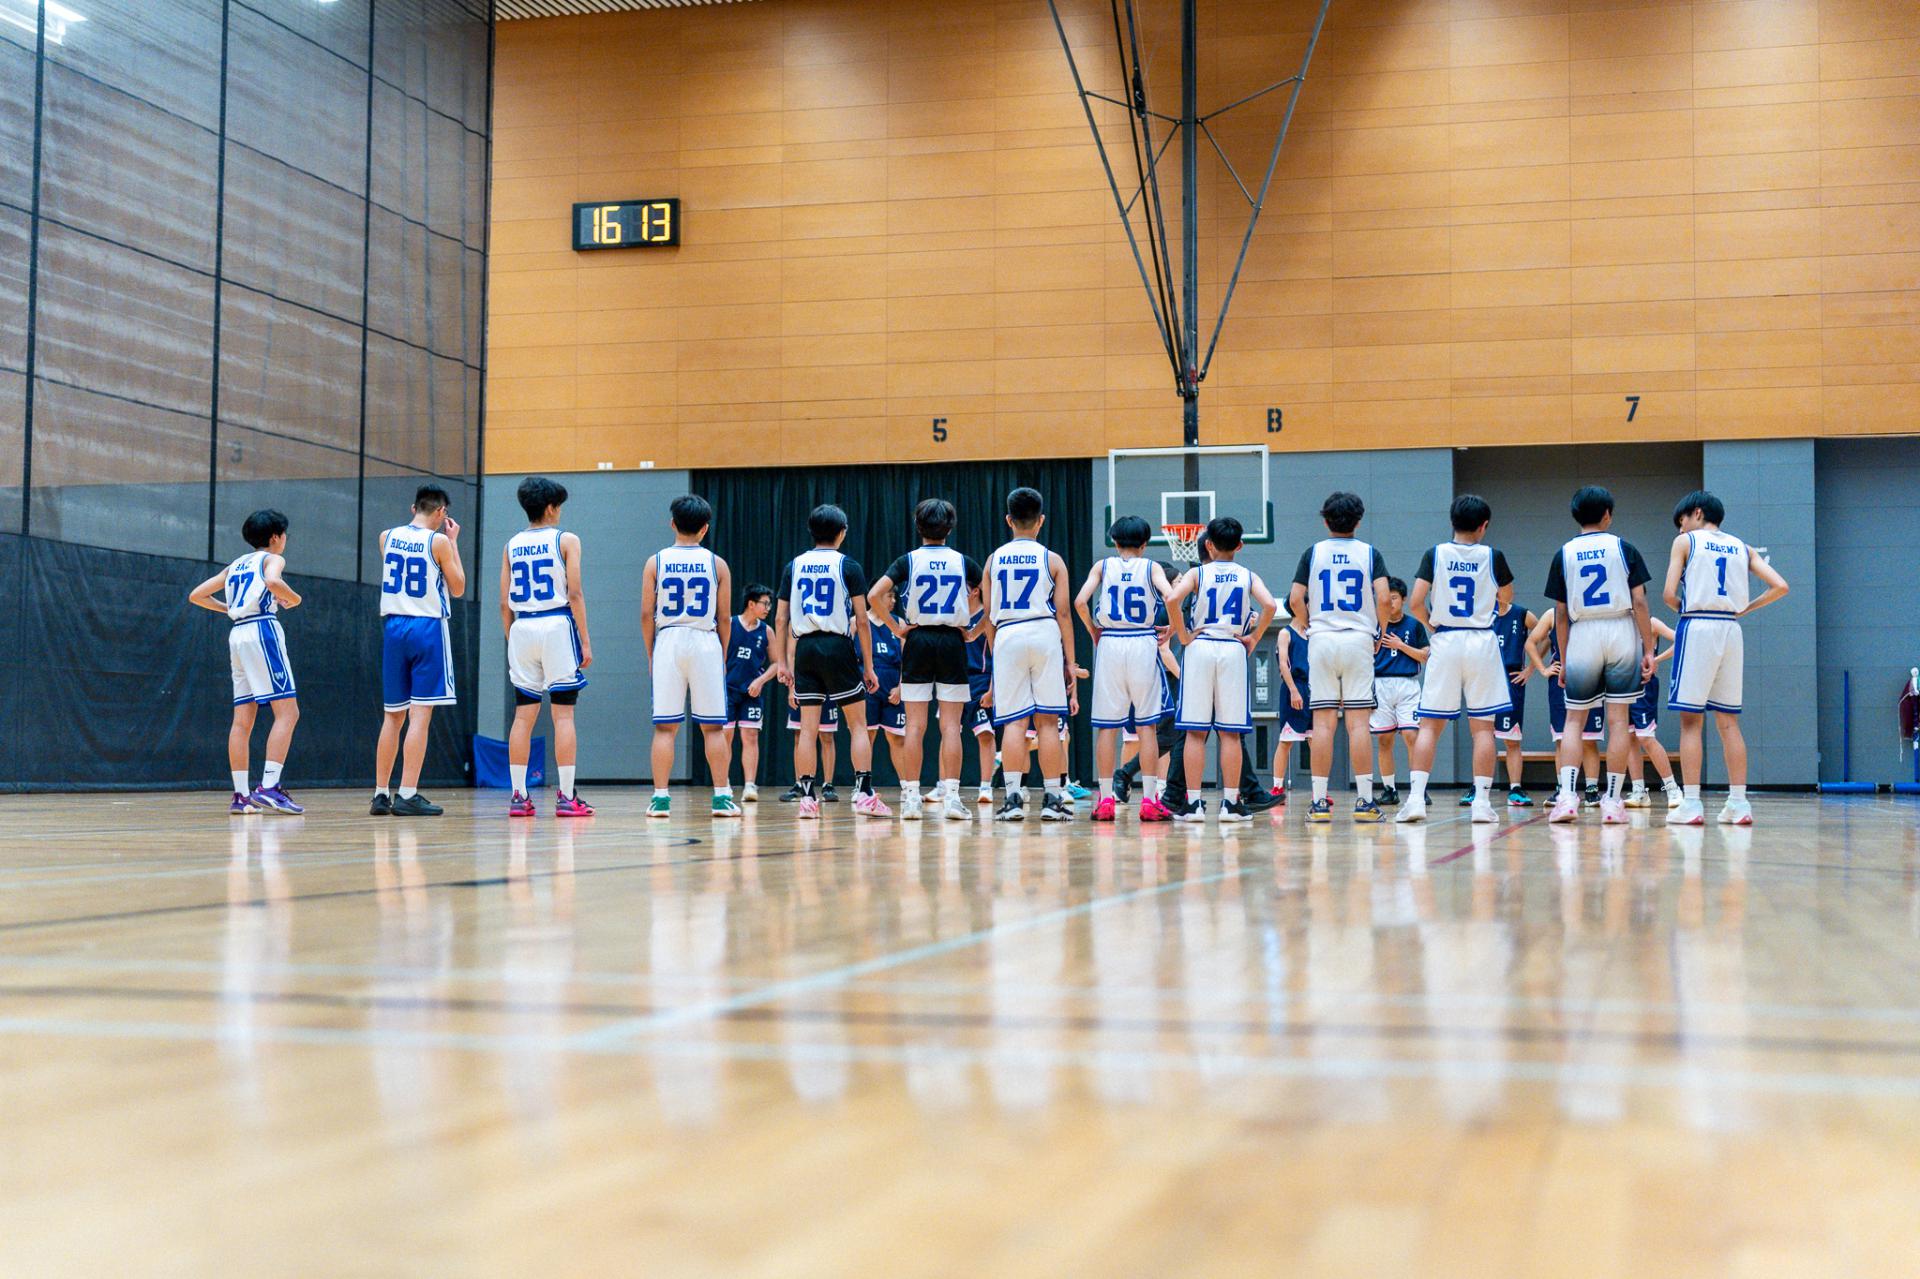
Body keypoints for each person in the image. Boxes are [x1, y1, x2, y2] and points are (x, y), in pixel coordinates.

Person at [1662, 489, 1790, 826]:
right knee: (1729, 722)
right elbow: (1780, 586)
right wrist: (1744, 608)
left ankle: (1691, 804)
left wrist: (1688, 610)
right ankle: (1739, 803)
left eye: (1683, 521)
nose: (1680, 529)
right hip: (1731, 629)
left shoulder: (1686, 543)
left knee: (1691, 721)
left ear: (1698, 513)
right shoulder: (1742, 547)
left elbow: (1668, 594)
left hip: (1697, 625)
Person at [1393, 495, 1515, 825]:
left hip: (1445, 639)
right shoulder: (1494, 556)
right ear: (1484, 525)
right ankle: (1482, 804)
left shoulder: (1435, 554)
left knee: (1430, 726)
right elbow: (1507, 598)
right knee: (1483, 729)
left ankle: (1416, 799)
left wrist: (1433, 625)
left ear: (1452, 521)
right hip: (1481, 641)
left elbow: (1416, 601)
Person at [1543, 485, 1657, 824]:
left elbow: (1560, 614)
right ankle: (1612, 800)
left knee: (1574, 721)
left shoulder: (1563, 553)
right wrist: (1648, 648)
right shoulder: (1624, 548)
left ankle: (1566, 797)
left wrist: (1562, 658)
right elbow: (1640, 602)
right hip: (1621, 629)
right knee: (1619, 721)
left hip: (1583, 632)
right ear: (1607, 514)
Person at [867, 499, 984, 821]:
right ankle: (952, 799)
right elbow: (995, 597)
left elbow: (874, 595)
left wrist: (897, 628)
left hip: (918, 641)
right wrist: (975, 631)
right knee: (951, 726)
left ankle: (911, 799)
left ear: (918, 526)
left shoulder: (908, 560)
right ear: (950, 526)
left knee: (914, 726)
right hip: (951, 641)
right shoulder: (963, 561)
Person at [774, 503, 889, 819]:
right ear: (842, 532)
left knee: (807, 730)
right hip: (838, 647)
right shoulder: (847, 565)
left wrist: (783, 662)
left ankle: (808, 799)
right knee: (857, 726)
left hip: (806, 647)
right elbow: (862, 620)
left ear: (811, 531)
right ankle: (864, 793)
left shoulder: (793, 566)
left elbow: (781, 617)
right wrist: (868, 665)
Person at [189, 509, 304, 814]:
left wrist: (230, 608)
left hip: (238, 633)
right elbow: (272, 580)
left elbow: (197, 595)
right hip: (262, 630)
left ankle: (241, 797)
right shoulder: (272, 559)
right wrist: (293, 598)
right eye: (285, 536)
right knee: (288, 713)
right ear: (276, 537)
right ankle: (268, 787)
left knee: (242, 720)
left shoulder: (235, 565)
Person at [1166, 517, 1276, 823]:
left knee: (1195, 733)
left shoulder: (1197, 573)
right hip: (1231, 649)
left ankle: (1193, 805)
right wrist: (1254, 636)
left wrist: (1184, 635)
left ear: (1209, 545)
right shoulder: (1247, 575)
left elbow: (1172, 599)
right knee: (1230, 734)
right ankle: (1231, 804)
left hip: (1200, 648)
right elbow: (1270, 606)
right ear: (1240, 545)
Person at [1289, 491, 1390, 823]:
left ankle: (1319, 803)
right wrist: (1379, 630)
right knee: (1359, 724)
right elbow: (1385, 597)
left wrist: (1306, 624)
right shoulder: (1369, 553)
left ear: (1324, 520)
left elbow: (1295, 598)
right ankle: (1364, 802)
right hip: (1358, 639)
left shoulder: (1313, 552)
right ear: (1359, 521)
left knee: (1323, 724)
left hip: (1321, 639)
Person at [982, 487, 1080, 822]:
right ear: (1041, 521)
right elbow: (1064, 613)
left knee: (1013, 722)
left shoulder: (993, 559)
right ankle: (1053, 798)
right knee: (1048, 722)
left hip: (1008, 634)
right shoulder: (1052, 559)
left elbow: (987, 616)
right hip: (1043, 632)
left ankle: (1012, 799)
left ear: (1009, 520)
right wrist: (1070, 661)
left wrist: (997, 660)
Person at [500, 476, 593, 819]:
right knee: (563, 714)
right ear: (552, 508)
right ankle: (567, 797)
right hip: (556, 624)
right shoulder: (566, 540)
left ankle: (518, 796)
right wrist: (584, 639)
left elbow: (502, 603)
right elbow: (575, 594)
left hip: (522, 626)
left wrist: (513, 639)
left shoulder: (511, 544)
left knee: (523, 715)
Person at [1075, 515, 1177, 822]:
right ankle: (1149, 800)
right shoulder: (1151, 567)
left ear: (1115, 542)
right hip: (1142, 642)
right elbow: (1171, 596)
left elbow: (1081, 601)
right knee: (1146, 726)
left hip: (1111, 642)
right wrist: (1172, 627)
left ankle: (1106, 799)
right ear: (1145, 544)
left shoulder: (1103, 566)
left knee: (1107, 727)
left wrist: (1093, 629)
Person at [641, 494, 738, 820]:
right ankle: (722, 798)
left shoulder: (655, 562)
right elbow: (724, 617)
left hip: (668, 639)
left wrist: (651, 652)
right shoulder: (718, 564)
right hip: (704, 639)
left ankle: (660, 799)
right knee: (713, 728)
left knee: (665, 729)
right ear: (705, 528)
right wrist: (722, 653)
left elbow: (645, 613)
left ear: (672, 523)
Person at [372, 485, 465, 816]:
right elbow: (457, 587)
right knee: (420, 715)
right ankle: (408, 793)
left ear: (414, 507)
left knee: (392, 716)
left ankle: (381, 793)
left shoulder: (386, 536)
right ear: (441, 513)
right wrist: (453, 543)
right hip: (426, 628)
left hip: (394, 628)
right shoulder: (439, 541)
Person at [1526, 605, 1603, 799]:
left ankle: (1592, 788)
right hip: (1561, 681)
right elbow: (1530, 642)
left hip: (1590, 676)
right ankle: (1563, 788)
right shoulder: (1552, 613)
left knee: (1589, 739)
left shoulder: (1591, 610)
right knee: (1561, 738)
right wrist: (1543, 669)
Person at [1475, 596, 1539, 807]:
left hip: (1511, 680)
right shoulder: (1481, 613)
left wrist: (1531, 668)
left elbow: (1545, 635)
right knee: (1483, 736)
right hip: (1484, 679)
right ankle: (1479, 787)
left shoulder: (1521, 613)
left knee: (1511, 739)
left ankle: (1515, 788)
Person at [1370, 577, 1429, 805]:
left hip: (1408, 685)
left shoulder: (1414, 625)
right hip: (1380, 684)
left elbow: (1426, 655)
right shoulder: (1374, 625)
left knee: (1411, 736)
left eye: (1394, 597)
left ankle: (1419, 789)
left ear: (1403, 600)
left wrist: (1401, 646)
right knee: (1384, 739)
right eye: (1387, 598)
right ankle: (1389, 789)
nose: (1390, 602)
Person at [723, 584, 777, 802]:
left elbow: (776, 664)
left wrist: (760, 680)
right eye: (765, 603)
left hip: (751, 692)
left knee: (750, 736)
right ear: (751, 603)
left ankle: (749, 785)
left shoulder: (766, 631)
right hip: (726, 690)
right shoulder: (729, 624)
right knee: (725, 737)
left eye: (769, 604)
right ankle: (723, 783)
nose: (768, 608)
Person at [1624, 617, 1683, 810]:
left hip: (1643, 687)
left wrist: (1656, 659)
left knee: (1646, 738)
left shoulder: (1651, 622)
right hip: (1621, 686)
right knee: (1629, 739)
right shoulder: (1619, 624)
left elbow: (1681, 638)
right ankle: (1639, 790)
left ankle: (1672, 788)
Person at [1268, 609, 1309, 804]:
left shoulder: (1313, 633)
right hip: (1294, 686)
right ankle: (1277, 787)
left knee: (1316, 740)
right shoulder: (1285, 633)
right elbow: (1283, 664)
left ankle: (1320, 789)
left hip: (1313, 687)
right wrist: (1293, 690)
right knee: (1286, 740)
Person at [865, 611, 908, 786]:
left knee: (897, 738)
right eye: (888, 595)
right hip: (868, 684)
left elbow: (908, 658)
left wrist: (901, 686)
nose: (892, 600)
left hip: (892, 683)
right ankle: (862, 786)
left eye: (893, 595)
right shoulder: (857, 621)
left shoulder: (900, 623)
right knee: (867, 736)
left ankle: (907, 786)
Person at [963, 607, 996, 806]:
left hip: (980, 681)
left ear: (975, 591)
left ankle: (985, 786)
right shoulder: (955, 614)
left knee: (985, 733)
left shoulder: (986, 618)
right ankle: (943, 785)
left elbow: (998, 655)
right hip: (955, 678)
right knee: (948, 730)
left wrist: (992, 690)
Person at [779, 699, 840, 802]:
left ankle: (828, 785)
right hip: (803, 689)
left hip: (827, 690)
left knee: (827, 735)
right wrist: (791, 690)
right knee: (799, 735)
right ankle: (800, 784)